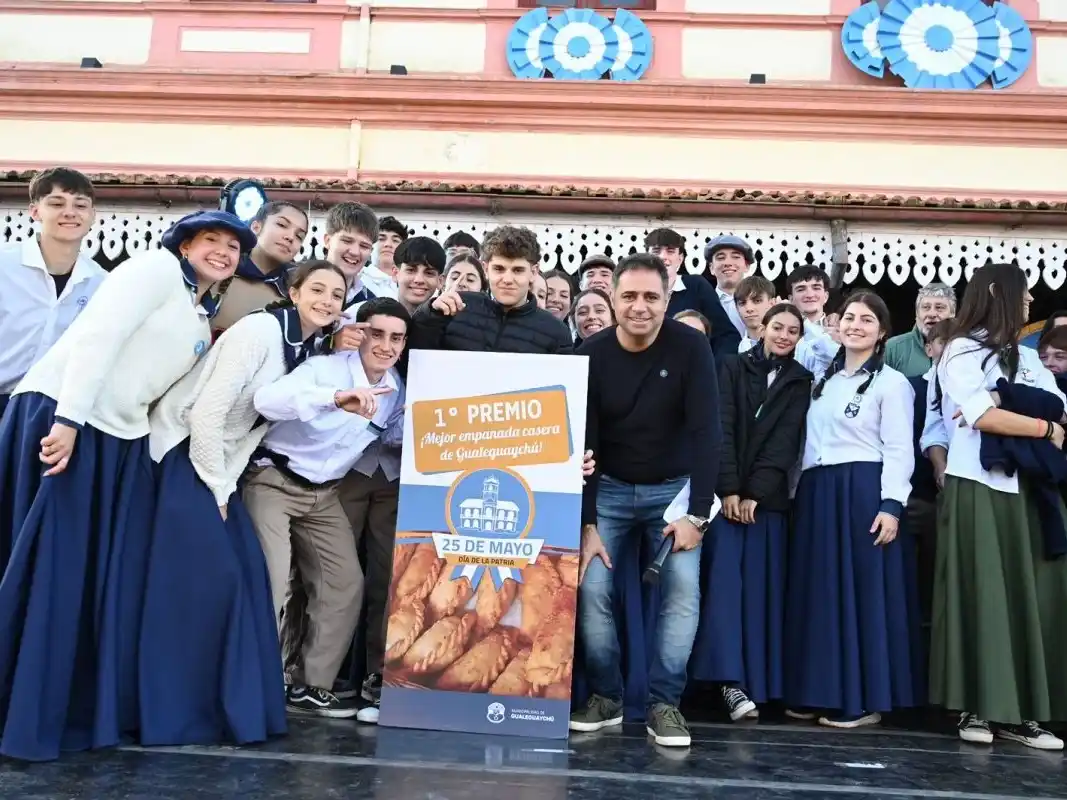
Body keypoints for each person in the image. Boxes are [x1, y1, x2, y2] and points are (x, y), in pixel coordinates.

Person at [0, 209, 252, 761]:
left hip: (116, 440)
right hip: (66, 419)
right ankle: (20, 714)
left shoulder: (196, 309)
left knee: (82, 582)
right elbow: (96, 338)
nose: (223, 252)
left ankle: (60, 710)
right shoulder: (153, 269)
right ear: (184, 244)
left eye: (233, 248)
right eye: (212, 240)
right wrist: (67, 423)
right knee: (48, 574)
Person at [139, 260, 347, 746]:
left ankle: (223, 703)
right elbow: (209, 413)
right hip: (182, 455)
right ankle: (179, 708)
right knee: (214, 584)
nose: (327, 301)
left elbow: (250, 433)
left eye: (336, 295)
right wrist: (216, 488)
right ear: (293, 292)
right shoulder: (260, 331)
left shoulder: (308, 348)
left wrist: (226, 485)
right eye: (317, 289)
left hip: (220, 470)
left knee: (247, 583)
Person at [571, 253, 721, 748]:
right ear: (611, 298)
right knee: (591, 591)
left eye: (651, 297)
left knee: (682, 591)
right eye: (629, 296)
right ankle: (607, 697)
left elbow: (706, 433)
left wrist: (697, 514)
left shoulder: (691, 347)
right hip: (609, 489)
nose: (640, 306)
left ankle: (664, 704)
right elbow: (585, 446)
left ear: (667, 298)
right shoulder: (589, 354)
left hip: (674, 490)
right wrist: (588, 523)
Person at [243, 297, 408, 719]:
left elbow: (399, 438)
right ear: (358, 332)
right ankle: (260, 679)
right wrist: (335, 398)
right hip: (273, 480)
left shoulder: (395, 389)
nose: (386, 345)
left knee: (345, 583)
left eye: (396, 338)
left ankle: (310, 684)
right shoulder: (325, 368)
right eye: (376, 334)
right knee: (274, 580)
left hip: (324, 494)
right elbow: (266, 401)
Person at [930, 263, 1067, 751]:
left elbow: (1056, 404)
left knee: (1033, 601)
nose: (1030, 303)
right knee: (983, 596)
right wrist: (1044, 428)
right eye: (1023, 294)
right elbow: (984, 415)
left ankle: (1025, 712)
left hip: (1031, 489)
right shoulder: (962, 350)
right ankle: (978, 706)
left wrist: (1011, 402)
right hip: (980, 485)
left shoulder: (1026, 357)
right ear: (998, 293)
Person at [783, 290, 923, 729]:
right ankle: (817, 690)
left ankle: (861, 699)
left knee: (859, 596)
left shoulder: (892, 383)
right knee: (819, 593)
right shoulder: (823, 380)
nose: (855, 325)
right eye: (848, 318)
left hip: (862, 491)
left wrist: (891, 505)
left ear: (882, 332)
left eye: (866, 320)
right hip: (817, 491)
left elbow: (900, 449)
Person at [691, 303, 812, 722]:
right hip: (724, 501)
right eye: (777, 326)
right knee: (725, 590)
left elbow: (784, 441)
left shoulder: (801, 380)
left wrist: (754, 493)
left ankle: (759, 685)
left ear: (800, 337)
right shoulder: (729, 367)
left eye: (792, 331)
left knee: (762, 594)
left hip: (767, 506)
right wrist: (728, 489)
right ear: (762, 328)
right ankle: (728, 681)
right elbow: (719, 427)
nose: (783, 335)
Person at [0, 167, 106, 421]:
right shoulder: (4, 265)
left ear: (93, 216)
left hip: (49, 414)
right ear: (35, 211)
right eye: (56, 203)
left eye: (80, 205)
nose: (70, 212)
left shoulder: (101, 283)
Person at [408, 225, 571, 355]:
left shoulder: (556, 332)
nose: (507, 280)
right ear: (485, 269)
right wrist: (430, 313)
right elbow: (415, 359)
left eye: (518, 270)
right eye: (499, 269)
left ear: (533, 272)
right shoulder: (456, 307)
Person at [210, 200, 309, 332]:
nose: (290, 237)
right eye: (282, 224)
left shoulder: (295, 295)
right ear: (256, 227)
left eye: (299, 236)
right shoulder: (216, 269)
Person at [736, 276, 836, 381]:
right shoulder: (742, 347)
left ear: (772, 302)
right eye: (742, 303)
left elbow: (832, 362)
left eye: (757, 300)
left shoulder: (801, 343)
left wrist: (801, 319)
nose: (749, 309)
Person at [644, 228, 726, 349]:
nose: (663, 257)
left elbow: (725, 334)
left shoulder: (696, 285)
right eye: (656, 251)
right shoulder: (636, 290)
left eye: (670, 251)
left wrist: (712, 366)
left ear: (680, 258)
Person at [885, 283, 956, 377]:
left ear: (952, 314)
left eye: (939, 308)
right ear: (917, 314)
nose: (932, 314)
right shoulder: (893, 348)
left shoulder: (966, 347)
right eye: (926, 307)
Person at [322, 202, 379, 319]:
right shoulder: (295, 285)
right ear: (327, 240)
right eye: (347, 241)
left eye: (364, 246)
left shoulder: (371, 304)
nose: (355, 252)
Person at [701, 235, 753, 361]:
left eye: (735, 257)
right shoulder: (701, 304)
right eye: (720, 258)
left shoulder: (762, 305)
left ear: (746, 266)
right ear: (711, 268)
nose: (728, 263)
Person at [361, 215, 408, 300]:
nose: (388, 244)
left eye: (395, 240)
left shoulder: (410, 284)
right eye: (381, 239)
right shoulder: (357, 280)